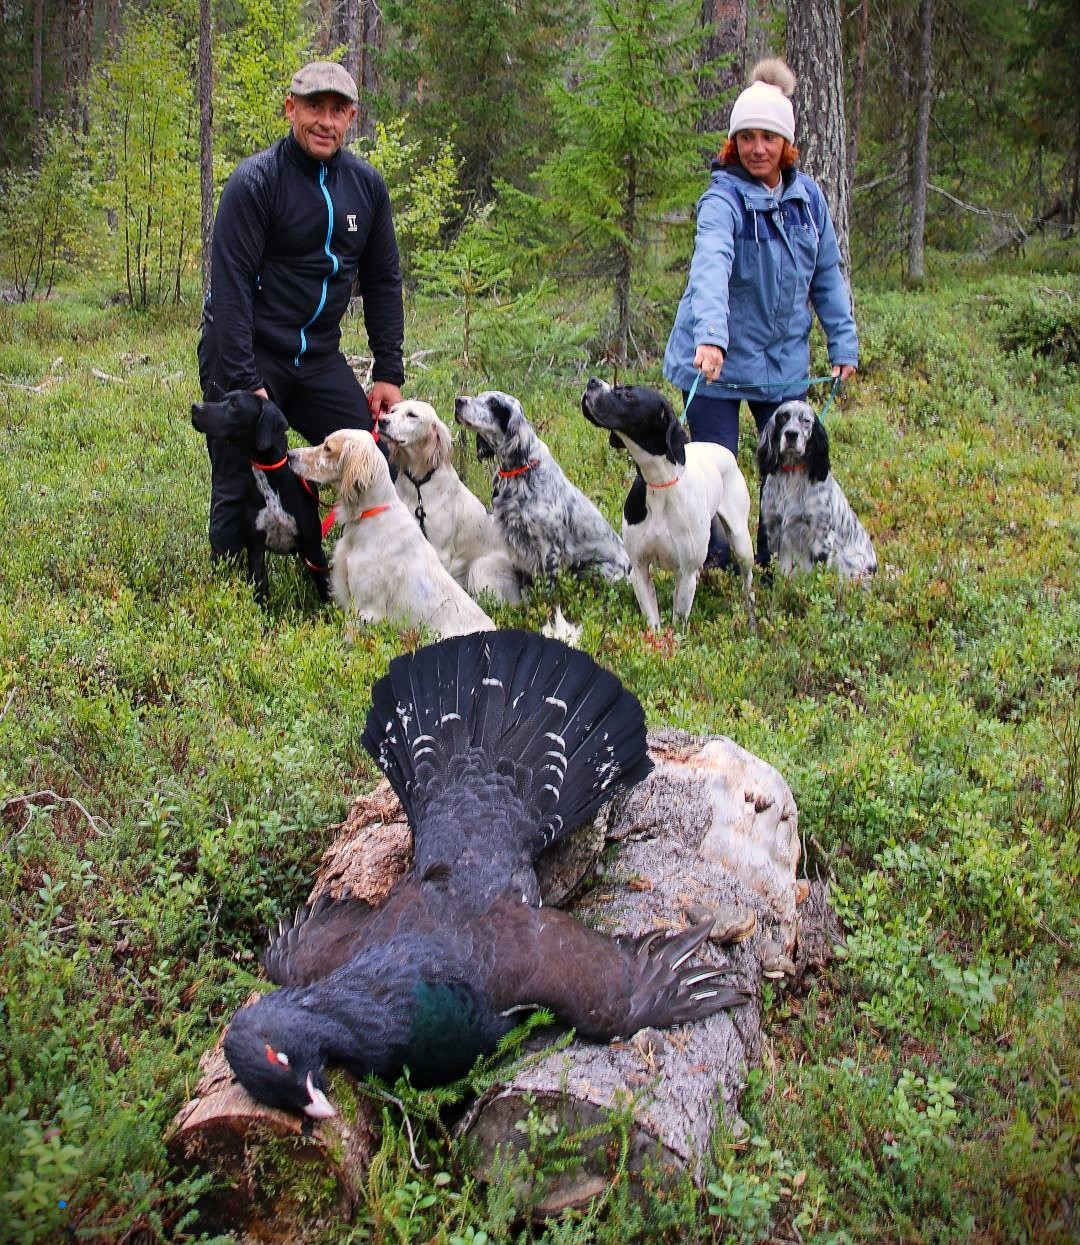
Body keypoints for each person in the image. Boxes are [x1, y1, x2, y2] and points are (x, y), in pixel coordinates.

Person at [198, 60, 405, 571]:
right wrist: (245, 381)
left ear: (352, 117)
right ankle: (231, 587)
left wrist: (388, 372)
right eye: (314, 107)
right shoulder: (256, 182)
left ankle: (368, 567)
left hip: (317, 358)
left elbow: (382, 281)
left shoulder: (366, 187)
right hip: (247, 350)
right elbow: (230, 289)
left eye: (337, 110)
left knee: (372, 456)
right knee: (237, 472)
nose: (325, 121)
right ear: (291, 108)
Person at [662, 58, 857, 567]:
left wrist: (843, 343)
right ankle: (715, 566)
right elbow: (711, 264)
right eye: (746, 137)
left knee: (786, 466)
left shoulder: (808, 200)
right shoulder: (722, 199)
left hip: (781, 363)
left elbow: (827, 274)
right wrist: (710, 337)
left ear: (786, 143)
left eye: (768, 137)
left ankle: (774, 563)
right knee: (712, 470)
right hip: (715, 362)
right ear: (734, 142)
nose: (757, 148)